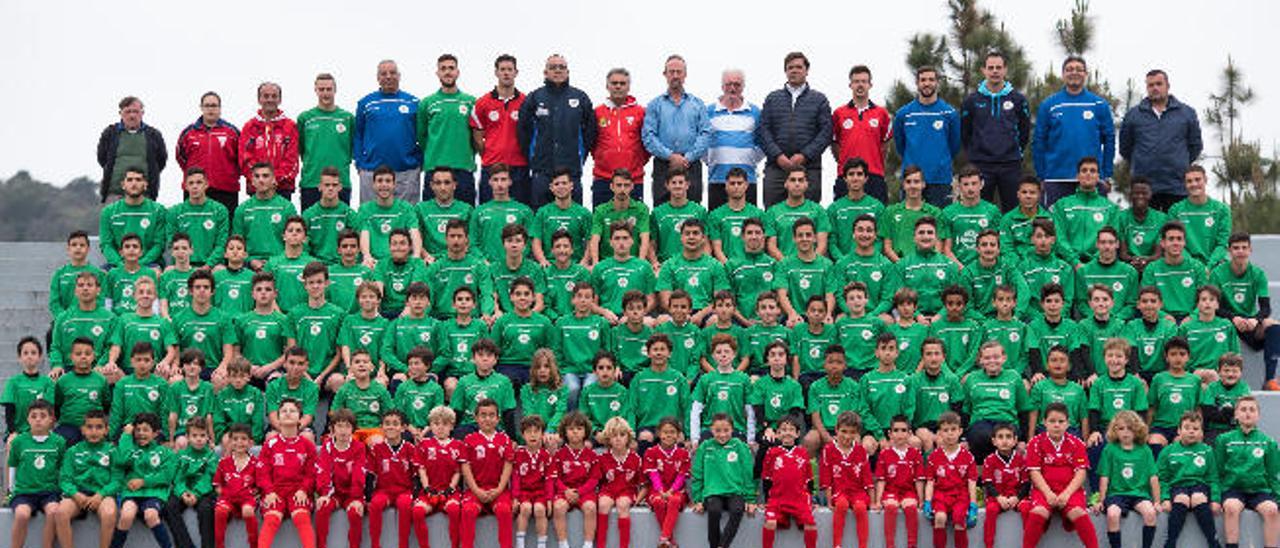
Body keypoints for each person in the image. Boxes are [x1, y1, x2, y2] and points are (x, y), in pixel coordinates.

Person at [1033, 56, 1115, 207]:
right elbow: (1039, 141)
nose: (1074, 73)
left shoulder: (1099, 104)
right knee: (1054, 227)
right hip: (1056, 178)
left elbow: (1109, 140)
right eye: (1069, 69)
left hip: (1091, 178)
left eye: (1079, 69)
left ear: (1085, 74)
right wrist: (1041, 174)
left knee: (1094, 227)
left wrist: (1107, 173)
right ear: (1063, 74)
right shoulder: (1049, 105)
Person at [518, 54, 597, 208]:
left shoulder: (580, 98)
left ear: (568, 72)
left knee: (573, 221)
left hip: (571, 172)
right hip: (542, 172)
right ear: (545, 72)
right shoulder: (534, 98)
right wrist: (534, 158)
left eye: (562, 67)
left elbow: (590, 133)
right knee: (541, 220)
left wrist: (579, 156)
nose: (558, 71)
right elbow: (523, 132)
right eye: (553, 67)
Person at [1119, 69, 1204, 211]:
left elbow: (1195, 146)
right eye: (1150, 85)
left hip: (1176, 186)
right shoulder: (1133, 115)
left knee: (1175, 231)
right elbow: (1125, 148)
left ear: (1167, 86)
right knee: (1146, 231)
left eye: (1159, 84)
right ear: (1147, 88)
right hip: (1144, 187)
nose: (1155, 88)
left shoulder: (1186, 113)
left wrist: (1178, 162)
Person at [757, 51, 831, 206]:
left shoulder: (819, 100)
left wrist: (804, 155)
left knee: (808, 218)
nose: (794, 70)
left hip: (808, 168)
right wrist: (778, 156)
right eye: (790, 67)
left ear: (806, 71)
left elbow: (825, 133)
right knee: (773, 215)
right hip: (776, 168)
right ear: (785, 71)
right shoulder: (773, 98)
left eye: (798, 67)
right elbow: (763, 130)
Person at [961, 51, 1031, 211]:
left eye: (998, 67)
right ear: (983, 70)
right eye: (990, 67)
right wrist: (975, 154)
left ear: (1005, 70)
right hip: (981, 165)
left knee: (1012, 211)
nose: (994, 71)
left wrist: (1014, 151)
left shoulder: (1018, 99)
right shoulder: (972, 101)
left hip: (1010, 164)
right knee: (981, 211)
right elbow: (965, 133)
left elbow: (1025, 131)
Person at [1022, 402, 1099, 548]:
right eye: (1052, 421)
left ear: (1068, 423)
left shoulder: (1076, 443)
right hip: (1043, 490)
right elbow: (1034, 472)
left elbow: (1081, 472)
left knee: (1078, 513)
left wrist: (1066, 494)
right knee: (1039, 512)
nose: (1056, 425)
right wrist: (1048, 493)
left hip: (1071, 490)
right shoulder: (1035, 443)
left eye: (1061, 421)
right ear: (1044, 422)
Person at [643, 54, 710, 205]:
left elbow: (705, 134)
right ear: (665, 74)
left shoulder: (697, 104)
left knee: (693, 214)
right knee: (662, 213)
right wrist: (670, 156)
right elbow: (648, 136)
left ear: (685, 74)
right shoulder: (655, 105)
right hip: (663, 165)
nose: (675, 76)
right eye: (671, 72)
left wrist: (688, 157)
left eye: (679, 72)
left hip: (691, 166)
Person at [1216, 396, 1280, 548]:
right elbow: (1217, 471)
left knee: (1271, 510)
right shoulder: (1224, 439)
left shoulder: (1268, 442)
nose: (1247, 413)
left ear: (1258, 415)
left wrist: (1278, 497)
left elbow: (1272, 474)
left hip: (1259, 490)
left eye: (1252, 410)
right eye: (1243, 409)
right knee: (1231, 507)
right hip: (1232, 490)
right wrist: (1216, 496)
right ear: (1236, 415)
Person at [892, 66, 961, 207]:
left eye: (931, 79)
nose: (927, 83)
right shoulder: (904, 114)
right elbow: (900, 146)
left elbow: (954, 146)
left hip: (940, 181)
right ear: (917, 83)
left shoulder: (949, 114)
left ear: (937, 83)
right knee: (909, 225)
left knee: (939, 225)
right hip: (912, 181)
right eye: (923, 80)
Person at [354, 60, 421, 203]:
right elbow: (358, 135)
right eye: (383, 73)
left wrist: (418, 162)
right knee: (371, 219)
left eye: (392, 73)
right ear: (378, 77)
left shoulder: (413, 103)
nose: (388, 76)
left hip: (406, 172)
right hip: (372, 171)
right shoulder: (366, 103)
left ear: (399, 75)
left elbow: (422, 134)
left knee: (406, 221)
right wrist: (360, 163)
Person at [255, 398, 319, 548]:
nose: (288, 414)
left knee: (302, 517)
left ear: (300, 417)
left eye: (292, 411)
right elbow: (262, 472)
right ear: (278, 417)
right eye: (284, 411)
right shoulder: (270, 444)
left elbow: (312, 473)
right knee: (271, 519)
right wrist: (269, 492)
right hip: (275, 492)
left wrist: (304, 490)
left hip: (298, 492)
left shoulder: (307, 445)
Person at [418, 54, 479, 204]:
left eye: (451, 68)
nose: (447, 72)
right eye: (443, 68)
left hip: (463, 168)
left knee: (465, 219)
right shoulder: (427, 103)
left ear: (458, 72)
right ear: (437, 73)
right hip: (435, 168)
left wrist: (465, 153)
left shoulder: (470, 101)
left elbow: (476, 136)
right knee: (431, 220)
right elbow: (422, 136)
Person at [1094, 410, 1160, 548]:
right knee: (1112, 514)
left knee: (1150, 513)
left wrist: (1157, 501)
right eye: (1121, 428)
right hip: (1116, 494)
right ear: (1115, 430)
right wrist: (1101, 500)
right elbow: (1104, 477)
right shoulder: (1110, 449)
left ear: (1137, 430)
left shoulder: (1145, 450)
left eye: (1130, 428)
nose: (1125, 432)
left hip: (1139, 494)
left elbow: (1153, 477)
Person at [9, 400, 69, 548]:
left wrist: (63, 490)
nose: (38, 419)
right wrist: (11, 489)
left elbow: (63, 467)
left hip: (49, 492)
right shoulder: (19, 441)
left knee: (53, 511)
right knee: (22, 514)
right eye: (33, 416)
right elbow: (12, 465)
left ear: (51, 419)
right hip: (24, 492)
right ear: (28, 419)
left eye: (43, 416)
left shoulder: (59, 442)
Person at [110, 412, 176, 548]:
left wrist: (144, 481)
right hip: (131, 494)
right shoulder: (130, 449)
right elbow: (121, 460)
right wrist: (126, 436)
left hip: (154, 493)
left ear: (156, 433)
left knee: (151, 515)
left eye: (145, 430)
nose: (141, 433)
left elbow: (167, 476)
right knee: (126, 515)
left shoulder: (165, 452)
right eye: (138, 430)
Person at [1156, 411, 1221, 548]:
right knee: (1182, 499)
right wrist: (1165, 498)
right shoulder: (1168, 451)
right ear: (1179, 431)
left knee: (1198, 497)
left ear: (1202, 432)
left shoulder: (1207, 451)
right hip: (1177, 486)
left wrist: (1215, 499)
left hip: (1200, 486)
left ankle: (1213, 541)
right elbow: (1162, 478)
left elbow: (1213, 478)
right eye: (1187, 428)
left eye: (1196, 429)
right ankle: (1171, 542)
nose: (1191, 432)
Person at [691, 413, 756, 548]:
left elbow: (747, 473)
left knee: (737, 510)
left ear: (732, 429)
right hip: (713, 492)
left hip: (735, 491)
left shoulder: (739, 446)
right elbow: (697, 474)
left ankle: (722, 546)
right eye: (718, 431)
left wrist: (750, 499)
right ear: (711, 430)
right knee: (714, 511)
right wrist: (698, 499)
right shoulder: (705, 446)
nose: (722, 435)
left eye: (726, 430)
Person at [471, 54, 530, 203]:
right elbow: (477, 137)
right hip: (492, 166)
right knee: (489, 212)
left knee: (519, 213)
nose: (506, 73)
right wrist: (490, 153)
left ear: (516, 72)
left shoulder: (527, 102)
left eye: (510, 69)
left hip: (519, 166)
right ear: (496, 72)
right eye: (502, 69)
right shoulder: (482, 103)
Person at [55, 409, 118, 548]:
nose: (94, 431)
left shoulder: (112, 451)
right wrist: (75, 494)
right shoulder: (73, 451)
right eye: (89, 427)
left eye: (99, 427)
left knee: (110, 513)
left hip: (102, 494)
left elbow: (117, 480)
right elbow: (64, 479)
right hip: (77, 495)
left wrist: (101, 494)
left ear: (106, 430)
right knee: (60, 513)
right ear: (82, 430)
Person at [832, 65, 893, 203]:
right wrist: (847, 164)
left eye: (864, 81)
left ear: (870, 85)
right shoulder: (838, 114)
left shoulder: (881, 113)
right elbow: (835, 145)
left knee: (877, 221)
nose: (860, 85)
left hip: (874, 176)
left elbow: (885, 146)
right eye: (856, 81)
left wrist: (874, 162)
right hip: (845, 177)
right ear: (850, 85)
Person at [460, 398, 516, 548]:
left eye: (492, 415)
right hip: (475, 491)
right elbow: (465, 467)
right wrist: (476, 490)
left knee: (504, 511)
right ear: (476, 418)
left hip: (498, 491)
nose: (487, 419)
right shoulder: (469, 440)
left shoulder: (504, 439)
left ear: (498, 419)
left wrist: (499, 489)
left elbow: (508, 465)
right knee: (468, 511)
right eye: (483, 415)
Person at [706, 69, 763, 209]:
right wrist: (712, 160)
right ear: (722, 86)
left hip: (747, 180)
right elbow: (702, 141)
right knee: (717, 225)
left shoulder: (755, 112)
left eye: (737, 85)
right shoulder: (709, 111)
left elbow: (762, 143)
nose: (732, 88)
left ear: (743, 87)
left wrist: (749, 159)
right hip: (718, 179)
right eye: (728, 84)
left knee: (749, 227)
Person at [297, 73, 355, 210]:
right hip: (312, 182)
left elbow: (352, 148)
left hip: (341, 182)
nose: (325, 93)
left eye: (329, 89)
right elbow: (301, 149)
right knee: (309, 228)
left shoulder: (347, 118)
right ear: (315, 90)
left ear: (335, 90)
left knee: (343, 230)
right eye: (321, 89)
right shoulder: (305, 118)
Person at [592, 67, 649, 207]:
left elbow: (647, 143)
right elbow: (591, 142)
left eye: (622, 83)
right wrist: (603, 157)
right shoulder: (597, 112)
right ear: (607, 86)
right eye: (614, 83)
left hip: (633, 179)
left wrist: (636, 161)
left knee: (633, 226)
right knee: (602, 225)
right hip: (603, 178)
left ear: (629, 86)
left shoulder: (640, 112)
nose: (618, 86)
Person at [176, 91, 241, 213]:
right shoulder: (188, 133)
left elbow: (241, 158)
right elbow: (181, 158)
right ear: (201, 108)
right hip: (195, 189)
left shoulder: (232, 132)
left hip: (225, 189)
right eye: (207, 105)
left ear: (220, 108)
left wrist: (228, 174)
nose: (210, 109)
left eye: (214, 105)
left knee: (226, 228)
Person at [367, 410, 421, 548]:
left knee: (405, 505)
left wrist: (415, 497)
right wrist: (367, 498)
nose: (391, 427)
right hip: (383, 491)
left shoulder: (410, 448)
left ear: (403, 428)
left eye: (395, 424)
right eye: (387, 424)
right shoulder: (376, 449)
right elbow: (370, 474)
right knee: (374, 505)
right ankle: (375, 544)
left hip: (404, 491)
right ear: (381, 427)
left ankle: (403, 544)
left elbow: (416, 475)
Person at [760, 416, 818, 548]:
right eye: (783, 429)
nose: (787, 432)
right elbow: (767, 478)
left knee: (810, 524)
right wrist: (767, 500)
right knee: (770, 523)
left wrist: (811, 499)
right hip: (777, 499)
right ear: (778, 434)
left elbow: (809, 479)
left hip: (799, 499)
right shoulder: (772, 452)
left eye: (791, 429)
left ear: (797, 434)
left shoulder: (802, 452)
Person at [923, 412, 978, 548]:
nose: (950, 434)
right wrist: (928, 501)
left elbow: (971, 483)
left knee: (959, 520)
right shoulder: (934, 457)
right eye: (945, 430)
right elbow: (930, 482)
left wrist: (973, 505)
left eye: (953, 429)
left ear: (960, 431)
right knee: (940, 518)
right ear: (940, 433)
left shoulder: (968, 457)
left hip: (960, 495)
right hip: (941, 494)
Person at [820, 411, 874, 548]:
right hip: (839, 492)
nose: (847, 436)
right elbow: (826, 478)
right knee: (842, 505)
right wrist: (828, 500)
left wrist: (873, 502)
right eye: (843, 431)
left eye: (852, 432)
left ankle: (863, 545)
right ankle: (837, 544)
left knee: (861, 508)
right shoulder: (828, 450)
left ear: (856, 433)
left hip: (857, 492)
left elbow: (867, 479)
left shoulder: (861, 451)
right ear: (836, 429)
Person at [97, 95, 166, 202]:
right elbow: (102, 159)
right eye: (128, 112)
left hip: (145, 195)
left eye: (135, 111)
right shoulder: (110, 133)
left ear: (142, 113)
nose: (132, 115)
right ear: (120, 113)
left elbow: (161, 161)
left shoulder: (153, 135)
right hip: (114, 193)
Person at [163, 418, 219, 548]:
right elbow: (177, 477)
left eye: (202, 435)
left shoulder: (210, 456)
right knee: (169, 505)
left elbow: (209, 478)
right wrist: (182, 493)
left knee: (206, 509)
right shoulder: (181, 455)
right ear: (187, 437)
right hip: (184, 490)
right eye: (194, 436)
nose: (199, 439)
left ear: (207, 437)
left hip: (202, 492)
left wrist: (196, 493)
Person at [315, 409, 367, 548]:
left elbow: (359, 474)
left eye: (347, 426)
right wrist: (325, 494)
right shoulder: (327, 447)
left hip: (352, 494)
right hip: (334, 494)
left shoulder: (359, 447)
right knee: (322, 508)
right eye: (339, 426)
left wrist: (356, 498)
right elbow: (323, 472)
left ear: (353, 429)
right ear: (332, 429)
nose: (343, 431)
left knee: (355, 513)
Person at [414, 406, 464, 548]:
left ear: (451, 426)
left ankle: (454, 545)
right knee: (417, 511)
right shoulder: (424, 444)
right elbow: (421, 469)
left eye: (444, 424)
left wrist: (450, 488)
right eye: (436, 423)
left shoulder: (458, 445)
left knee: (454, 510)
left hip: (450, 492)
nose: (440, 427)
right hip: (430, 491)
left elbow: (457, 472)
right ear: (430, 426)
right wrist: (427, 488)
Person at [240, 82, 300, 200]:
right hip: (256, 189)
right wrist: (260, 179)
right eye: (266, 96)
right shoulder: (249, 127)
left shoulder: (290, 126)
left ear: (280, 99)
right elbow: (244, 158)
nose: (270, 100)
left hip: (283, 188)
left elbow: (292, 160)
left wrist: (274, 179)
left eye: (274, 96)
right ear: (259, 99)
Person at [234, 163, 299, 268]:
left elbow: (296, 241)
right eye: (257, 176)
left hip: (280, 263)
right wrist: (250, 261)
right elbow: (236, 244)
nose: (261, 180)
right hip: (250, 265)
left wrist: (277, 260)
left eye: (265, 176)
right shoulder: (242, 209)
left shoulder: (287, 208)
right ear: (252, 181)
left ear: (274, 180)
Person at [100, 167, 167, 268]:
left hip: (149, 264)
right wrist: (120, 264)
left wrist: (140, 264)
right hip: (118, 264)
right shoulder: (108, 212)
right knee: (101, 274)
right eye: (130, 180)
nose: (134, 183)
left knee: (155, 272)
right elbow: (106, 245)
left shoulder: (158, 210)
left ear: (145, 185)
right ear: (123, 185)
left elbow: (159, 245)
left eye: (138, 180)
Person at [874, 414, 925, 548]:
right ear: (890, 434)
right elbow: (881, 480)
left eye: (903, 430)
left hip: (908, 492)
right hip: (891, 492)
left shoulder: (915, 454)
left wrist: (921, 499)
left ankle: (912, 544)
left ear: (909, 434)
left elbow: (919, 480)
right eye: (896, 430)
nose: (900, 434)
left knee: (910, 507)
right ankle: (890, 544)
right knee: (890, 506)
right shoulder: (884, 454)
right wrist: (878, 500)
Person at [552, 412, 600, 548]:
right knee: (559, 507)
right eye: (571, 429)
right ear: (565, 432)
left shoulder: (592, 455)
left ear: (585, 432)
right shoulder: (559, 455)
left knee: (590, 508)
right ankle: (563, 543)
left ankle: (588, 544)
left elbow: (594, 479)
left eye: (579, 429)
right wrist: (565, 491)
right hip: (564, 491)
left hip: (585, 492)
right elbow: (555, 478)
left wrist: (580, 492)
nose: (575, 432)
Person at [1168, 164, 1232, 266]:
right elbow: (1175, 244)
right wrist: (1196, 267)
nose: (1194, 184)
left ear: (1205, 180)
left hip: (1216, 265)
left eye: (1198, 179)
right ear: (1185, 184)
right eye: (1189, 181)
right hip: (1188, 266)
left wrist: (1210, 266)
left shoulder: (1222, 209)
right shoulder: (1175, 210)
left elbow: (1223, 244)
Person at [167, 169, 230, 267]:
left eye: (199, 182)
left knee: (220, 271)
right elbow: (172, 243)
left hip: (212, 266)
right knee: (168, 272)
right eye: (191, 183)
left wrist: (208, 265)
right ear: (185, 186)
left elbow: (221, 244)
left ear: (206, 185)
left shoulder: (219, 210)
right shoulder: (175, 212)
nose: (195, 186)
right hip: (184, 265)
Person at [643, 417, 690, 548]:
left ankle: (664, 538)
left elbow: (681, 476)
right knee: (658, 501)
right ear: (658, 433)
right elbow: (653, 474)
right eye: (665, 432)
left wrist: (671, 491)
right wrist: (661, 491)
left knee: (674, 500)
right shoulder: (651, 452)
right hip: (657, 490)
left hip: (676, 490)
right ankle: (670, 540)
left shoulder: (683, 453)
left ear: (678, 434)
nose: (668, 435)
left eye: (672, 432)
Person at [981, 423, 1028, 548]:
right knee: (991, 510)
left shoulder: (1021, 460)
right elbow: (988, 483)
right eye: (1000, 437)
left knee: (1027, 508)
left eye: (1008, 437)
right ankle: (989, 544)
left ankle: (1029, 544)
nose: (1004, 440)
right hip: (997, 497)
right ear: (994, 441)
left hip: (1017, 497)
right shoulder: (989, 460)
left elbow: (1026, 484)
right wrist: (999, 498)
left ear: (1015, 441)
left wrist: (1017, 498)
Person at [213, 423, 259, 548]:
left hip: (247, 499)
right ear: (230, 442)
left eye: (243, 439)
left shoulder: (255, 463)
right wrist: (224, 495)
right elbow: (217, 485)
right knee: (220, 511)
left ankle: (254, 545)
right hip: (228, 498)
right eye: (235, 439)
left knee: (248, 511)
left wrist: (253, 496)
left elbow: (259, 487)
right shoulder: (224, 462)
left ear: (251, 443)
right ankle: (219, 545)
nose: (239, 442)